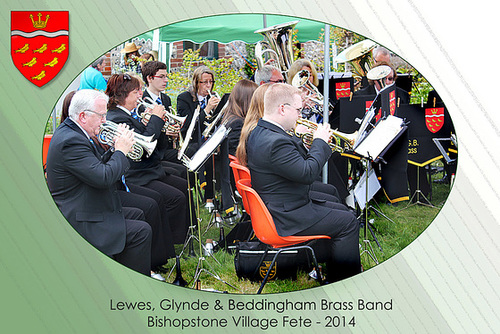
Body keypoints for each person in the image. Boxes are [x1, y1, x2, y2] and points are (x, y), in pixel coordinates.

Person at [246, 83, 361, 282]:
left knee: (338, 205)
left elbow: (293, 163)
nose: (301, 115)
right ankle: (343, 282)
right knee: (349, 222)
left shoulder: (261, 131)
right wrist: (320, 142)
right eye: (298, 110)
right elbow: (308, 173)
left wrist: (304, 141)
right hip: (286, 215)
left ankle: (327, 267)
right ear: (283, 108)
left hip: (283, 203)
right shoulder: (275, 142)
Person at [46, 89, 152, 276]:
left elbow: (96, 167)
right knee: (141, 231)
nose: (105, 120)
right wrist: (120, 151)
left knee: (138, 214)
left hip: (88, 203)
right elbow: (103, 178)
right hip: (79, 215)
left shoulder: (75, 132)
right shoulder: (70, 141)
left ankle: (123, 271)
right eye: (102, 115)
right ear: (83, 116)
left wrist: (114, 149)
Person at [105, 73, 190, 244]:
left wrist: (158, 126)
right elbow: (145, 146)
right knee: (175, 197)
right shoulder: (117, 117)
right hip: (138, 174)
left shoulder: (127, 114)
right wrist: (156, 119)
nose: (140, 96)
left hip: (149, 168)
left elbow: (147, 137)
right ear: (123, 95)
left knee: (183, 185)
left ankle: (186, 233)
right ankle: (172, 240)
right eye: (136, 92)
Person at [177, 66, 219, 211]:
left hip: (210, 139)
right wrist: (206, 110)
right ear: (196, 83)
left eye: (211, 82)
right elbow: (188, 126)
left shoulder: (213, 97)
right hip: (192, 141)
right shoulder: (184, 98)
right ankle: (208, 196)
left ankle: (222, 195)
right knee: (204, 152)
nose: (208, 86)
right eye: (204, 82)